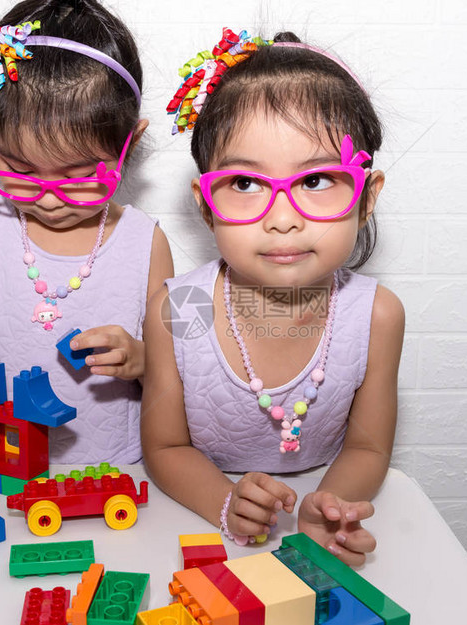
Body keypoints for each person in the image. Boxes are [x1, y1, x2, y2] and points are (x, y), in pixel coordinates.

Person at [142, 29, 404, 565]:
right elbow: (165, 447)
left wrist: (327, 507)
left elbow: (367, 447)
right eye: (245, 184)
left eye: (315, 182)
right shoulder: (182, 308)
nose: (282, 219)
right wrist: (225, 502)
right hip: (190, 523)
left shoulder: (376, 315)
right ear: (206, 203)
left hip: (315, 492)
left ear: (367, 196)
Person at [0, 0, 173, 464]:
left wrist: (145, 360)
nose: (47, 197)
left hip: (114, 473)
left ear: (131, 144)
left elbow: (187, 361)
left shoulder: (147, 242)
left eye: (79, 176)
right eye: (19, 169)